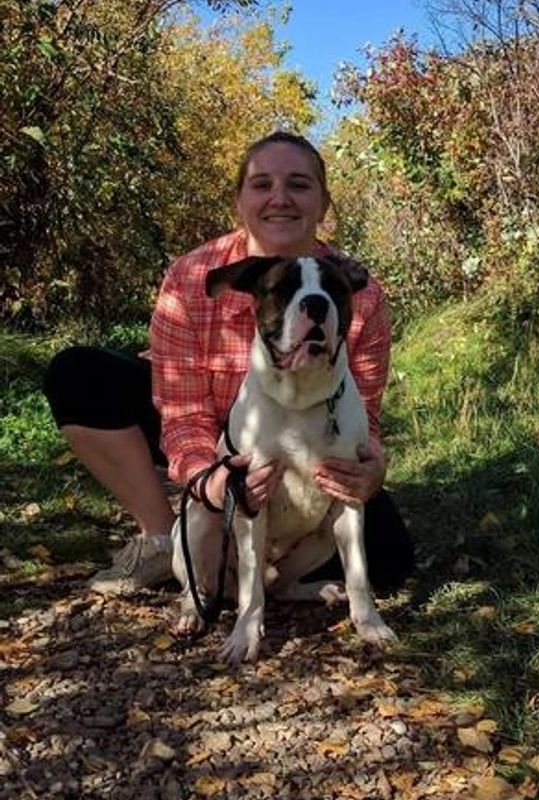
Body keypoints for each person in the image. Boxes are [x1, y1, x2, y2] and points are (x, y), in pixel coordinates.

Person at [43, 131, 414, 597]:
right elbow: (182, 414)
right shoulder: (192, 277)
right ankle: (161, 536)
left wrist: (372, 468)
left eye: (299, 184)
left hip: (310, 444)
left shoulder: (361, 292)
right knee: (80, 374)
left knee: (391, 561)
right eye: (262, 185)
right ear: (239, 201)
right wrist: (211, 483)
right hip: (219, 435)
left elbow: (365, 417)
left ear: (323, 205)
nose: (280, 198)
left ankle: (282, 562)